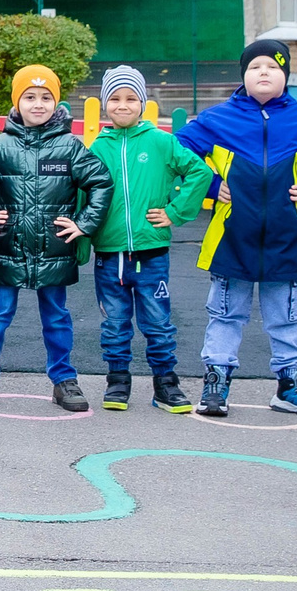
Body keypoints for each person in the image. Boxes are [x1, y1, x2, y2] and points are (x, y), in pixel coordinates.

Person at [174, 39, 297, 419]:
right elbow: (178, 151)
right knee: (225, 314)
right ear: (244, 76)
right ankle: (215, 384)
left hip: (289, 238)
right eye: (255, 67)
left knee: (286, 317)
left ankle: (291, 387)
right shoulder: (219, 118)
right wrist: (207, 184)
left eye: (273, 66)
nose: (264, 72)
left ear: (285, 75)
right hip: (231, 239)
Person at [0, 66, 112, 410]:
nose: (38, 104)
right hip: (10, 248)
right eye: (29, 97)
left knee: (57, 316)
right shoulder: (1, 146)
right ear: (17, 103)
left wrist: (84, 223)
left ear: (56, 102)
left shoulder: (69, 147)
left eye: (46, 98)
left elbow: (100, 183)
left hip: (55, 250)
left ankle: (64, 381)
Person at [84, 65, 211, 411]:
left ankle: (165, 384)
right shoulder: (97, 148)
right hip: (109, 254)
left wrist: (174, 211)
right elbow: (82, 195)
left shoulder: (161, 141)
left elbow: (199, 172)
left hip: (151, 252)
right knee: (114, 321)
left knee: (157, 321)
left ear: (142, 102)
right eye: (114, 98)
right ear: (104, 103)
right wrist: (82, 241)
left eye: (130, 98)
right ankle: (118, 380)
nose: (122, 105)